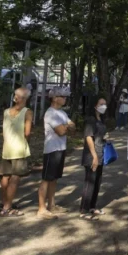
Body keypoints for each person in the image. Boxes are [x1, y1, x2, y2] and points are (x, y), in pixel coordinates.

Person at [39, 87, 74, 219]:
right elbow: (61, 131)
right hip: (51, 150)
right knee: (46, 179)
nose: (65, 99)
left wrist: (66, 126)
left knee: (54, 178)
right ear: (54, 98)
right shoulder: (51, 113)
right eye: (62, 96)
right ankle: (41, 208)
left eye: (65, 97)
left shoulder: (62, 113)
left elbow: (73, 127)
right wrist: (66, 126)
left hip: (61, 148)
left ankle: (51, 205)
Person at [0, 86, 32, 217]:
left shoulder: (6, 111)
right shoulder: (27, 112)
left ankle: (4, 203)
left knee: (5, 176)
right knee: (15, 177)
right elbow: (27, 132)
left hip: (6, 148)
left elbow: (3, 131)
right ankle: (7, 207)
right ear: (25, 98)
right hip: (19, 148)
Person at [80, 97, 110, 220]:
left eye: (105, 104)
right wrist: (94, 156)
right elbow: (88, 137)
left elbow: (99, 135)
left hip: (101, 153)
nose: (104, 106)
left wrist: (106, 137)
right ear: (95, 106)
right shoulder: (91, 120)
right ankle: (84, 210)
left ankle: (92, 206)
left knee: (97, 182)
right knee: (90, 183)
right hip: (91, 155)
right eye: (101, 104)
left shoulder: (101, 119)